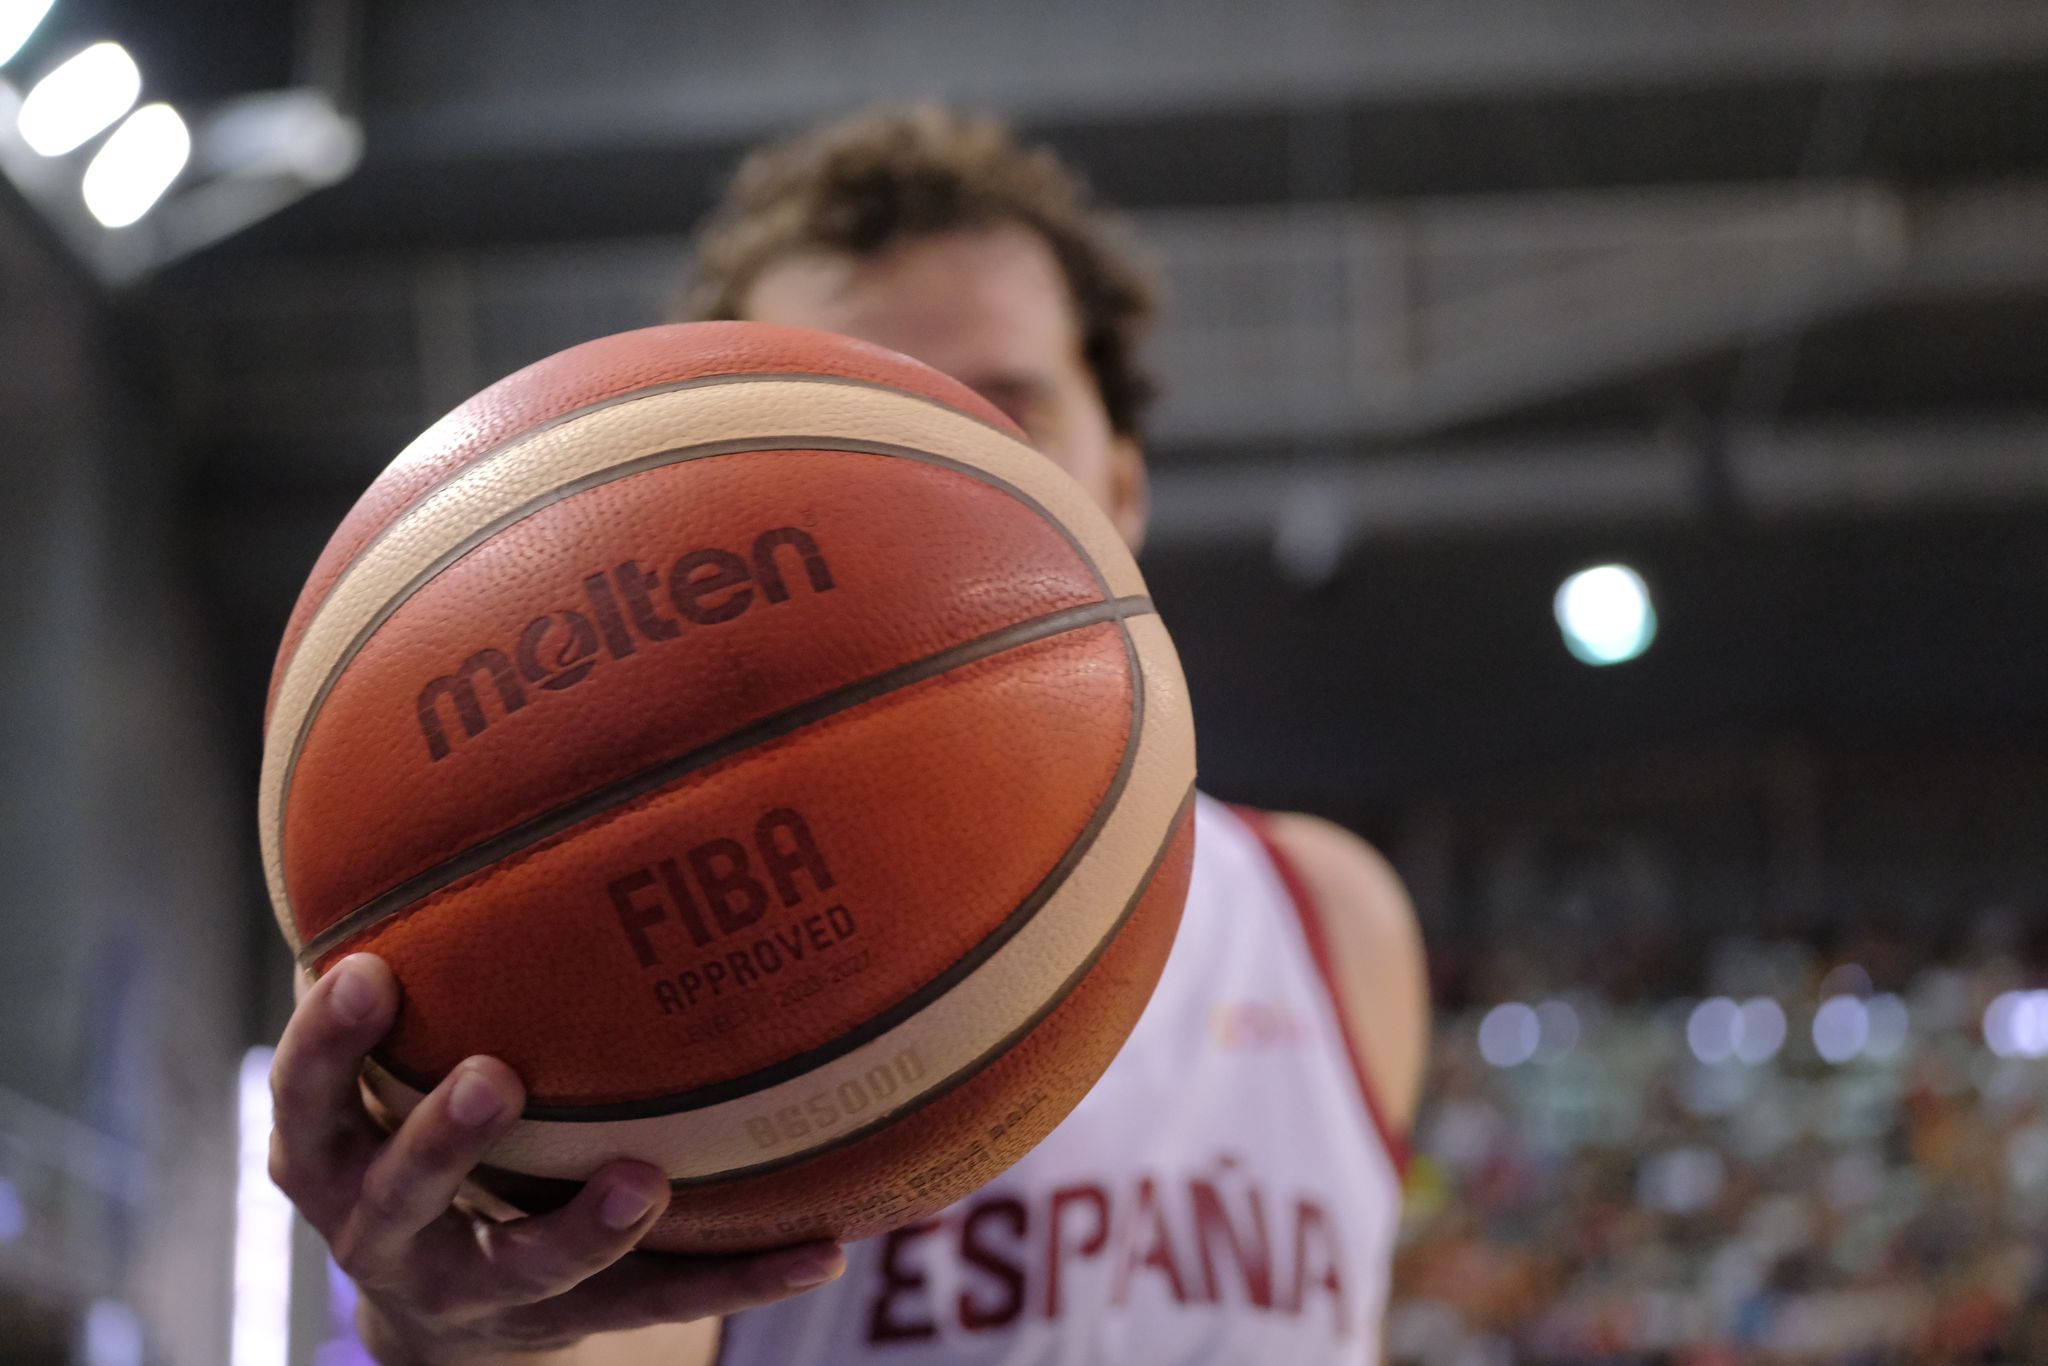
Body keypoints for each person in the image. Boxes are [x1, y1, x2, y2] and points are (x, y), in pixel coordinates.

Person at [267, 105, 1429, 1366]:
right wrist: (444, 1322)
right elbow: (581, 1335)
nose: (917, 484)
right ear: (688, 505)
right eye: (853, 418)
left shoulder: (1330, 919)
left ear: (1123, 487)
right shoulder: (629, 976)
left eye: (998, 415)